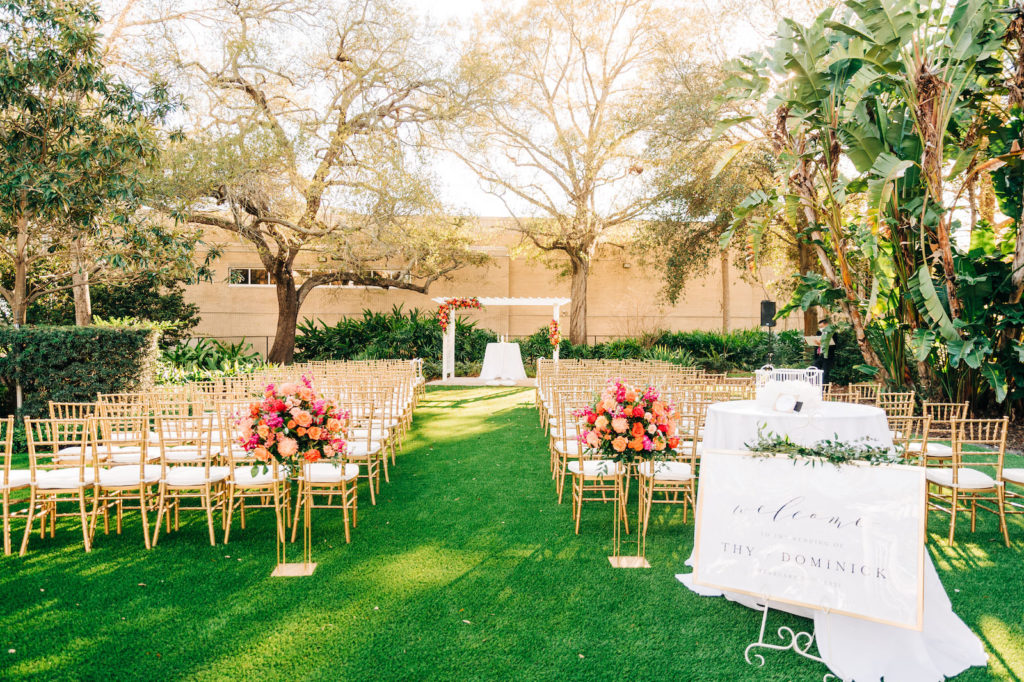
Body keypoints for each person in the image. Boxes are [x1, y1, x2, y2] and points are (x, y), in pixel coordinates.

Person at [811, 319, 834, 384]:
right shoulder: (818, 333)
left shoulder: (833, 333)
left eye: (822, 327)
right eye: (819, 327)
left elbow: (833, 346)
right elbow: (816, 344)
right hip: (819, 356)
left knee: (825, 373)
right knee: (812, 370)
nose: (821, 328)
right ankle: (812, 386)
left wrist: (821, 344)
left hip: (827, 356)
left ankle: (824, 390)